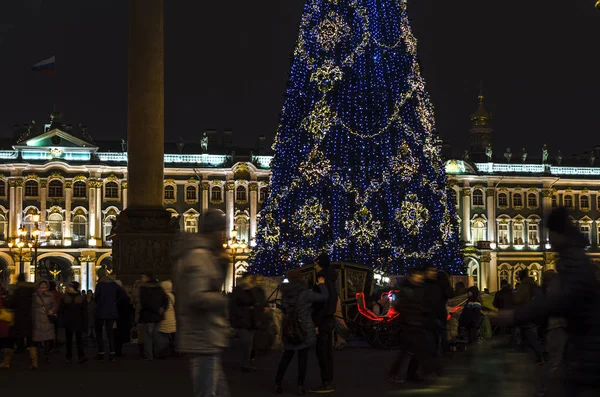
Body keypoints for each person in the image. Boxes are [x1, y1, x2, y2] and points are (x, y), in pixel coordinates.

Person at [498, 207, 600, 396]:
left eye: (550, 232)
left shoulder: (575, 262)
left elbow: (562, 301)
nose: (548, 238)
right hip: (581, 347)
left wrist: (515, 315)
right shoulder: (571, 259)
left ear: (559, 233)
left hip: (589, 349)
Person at [173, 209, 231, 397]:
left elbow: (210, 285)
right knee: (207, 392)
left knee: (217, 392)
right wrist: (224, 300)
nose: (224, 235)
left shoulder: (203, 254)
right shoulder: (198, 256)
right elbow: (197, 297)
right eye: (221, 230)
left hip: (207, 336)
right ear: (212, 231)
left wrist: (224, 264)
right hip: (203, 337)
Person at [275, 269, 328, 395]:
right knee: (302, 358)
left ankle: (277, 383)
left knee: (286, 358)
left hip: (289, 328)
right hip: (303, 328)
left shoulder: (285, 293)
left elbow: (283, 308)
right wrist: (321, 284)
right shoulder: (305, 293)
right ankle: (300, 385)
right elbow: (324, 297)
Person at [387, 268, 430, 383]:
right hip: (409, 323)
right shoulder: (406, 289)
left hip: (417, 322)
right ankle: (402, 373)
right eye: (418, 276)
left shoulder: (419, 289)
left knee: (413, 350)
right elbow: (400, 306)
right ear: (412, 276)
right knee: (408, 351)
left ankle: (408, 373)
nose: (420, 278)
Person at [310, 254, 338, 394]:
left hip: (322, 320)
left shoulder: (321, 280)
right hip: (329, 319)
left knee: (322, 352)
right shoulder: (331, 279)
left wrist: (316, 322)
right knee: (327, 352)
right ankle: (328, 380)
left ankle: (326, 382)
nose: (314, 266)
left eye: (316, 264)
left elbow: (321, 303)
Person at [4, 274, 35, 369]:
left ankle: (7, 362)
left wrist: (7, 298)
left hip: (17, 318)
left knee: (10, 340)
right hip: (29, 318)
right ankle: (34, 362)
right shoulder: (32, 291)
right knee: (30, 340)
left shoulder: (17, 291)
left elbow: (10, 304)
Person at [230, 274, 261, 371]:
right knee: (246, 343)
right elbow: (234, 305)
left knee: (249, 343)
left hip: (251, 320)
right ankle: (244, 363)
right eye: (249, 278)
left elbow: (255, 301)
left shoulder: (250, 290)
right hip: (243, 320)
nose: (251, 280)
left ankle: (246, 362)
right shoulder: (238, 290)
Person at [514, 269, 544, 365]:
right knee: (533, 337)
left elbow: (517, 301)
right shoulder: (535, 286)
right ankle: (538, 356)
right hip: (536, 315)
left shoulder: (522, 287)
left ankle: (538, 356)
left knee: (528, 337)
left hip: (526, 316)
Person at [423, 266, 453, 356]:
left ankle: (434, 351)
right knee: (442, 332)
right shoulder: (443, 285)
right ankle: (444, 350)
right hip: (440, 312)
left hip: (430, 313)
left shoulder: (430, 284)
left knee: (434, 333)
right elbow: (449, 294)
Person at [139, 272, 169, 361]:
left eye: (143, 277)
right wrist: (162, 308)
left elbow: (145, 302)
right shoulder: (159, 288)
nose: (142, 279)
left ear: (147, 278)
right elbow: (165, 299)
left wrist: (155, 309)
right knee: (156, 334)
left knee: (148, 336)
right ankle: (160, 350)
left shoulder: (143, 289)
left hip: (148, 315)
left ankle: (149, 355)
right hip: (158, 315)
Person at [94, 274, 123, 362]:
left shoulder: (99, 285)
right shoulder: (114, 285)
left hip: (101, 311)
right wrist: (114, 302)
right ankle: (112, 353)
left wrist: (100, 303)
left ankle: (101, 352)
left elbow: (96, 297)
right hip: (112, 311)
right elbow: (121, 295)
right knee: (110, 333)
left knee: (99, 332)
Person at [59, 281, 88, 364]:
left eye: (70, 287)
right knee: (69, 341)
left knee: (79, 340)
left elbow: (85, 313)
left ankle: (80, 356)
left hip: (78, 322)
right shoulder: (65, 298)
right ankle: (69, 356)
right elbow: (61, 310)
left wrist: (85, 324)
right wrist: (62, 321)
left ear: (74, 288)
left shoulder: (81, 298)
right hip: (69, 322)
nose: (68, 288)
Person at [32, 280, 56, 366]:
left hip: (47, 319)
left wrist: (52, 311)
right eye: (42, 286)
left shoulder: (50, 295)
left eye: (45, 286)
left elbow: (54, 305)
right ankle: (36, 356)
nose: (43, 288)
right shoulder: (34, 295)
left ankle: (46, 355)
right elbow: (31, 306)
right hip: (37, 318)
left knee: (47, 340)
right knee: (37, 339)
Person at [114, 280, 133, 357]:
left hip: (116, 318)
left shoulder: (114, 295)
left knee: (116, 335)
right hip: (123, 319)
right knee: (120, 336)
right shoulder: (124, 296)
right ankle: (118, 351)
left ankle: (115, 351)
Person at [158, 280, 176, 358]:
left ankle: (164, 352)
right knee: (173, 335)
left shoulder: (163, 296)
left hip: (165, 318)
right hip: (172, 318)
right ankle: (175, 351)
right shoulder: (173, 296)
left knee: (163, 336)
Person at [48, 281, 63, 351]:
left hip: (49, 314)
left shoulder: (47, 294)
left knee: (50, 330)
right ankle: (57, 343)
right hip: (58, 314)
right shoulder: (59, 294)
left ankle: (50, 344)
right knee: (56, 330)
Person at [0, 285, 11, 368]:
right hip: (5, 322)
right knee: (5, 342)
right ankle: (6, 361)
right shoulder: (6, 297)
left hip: (3, 321)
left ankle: (5, 361)